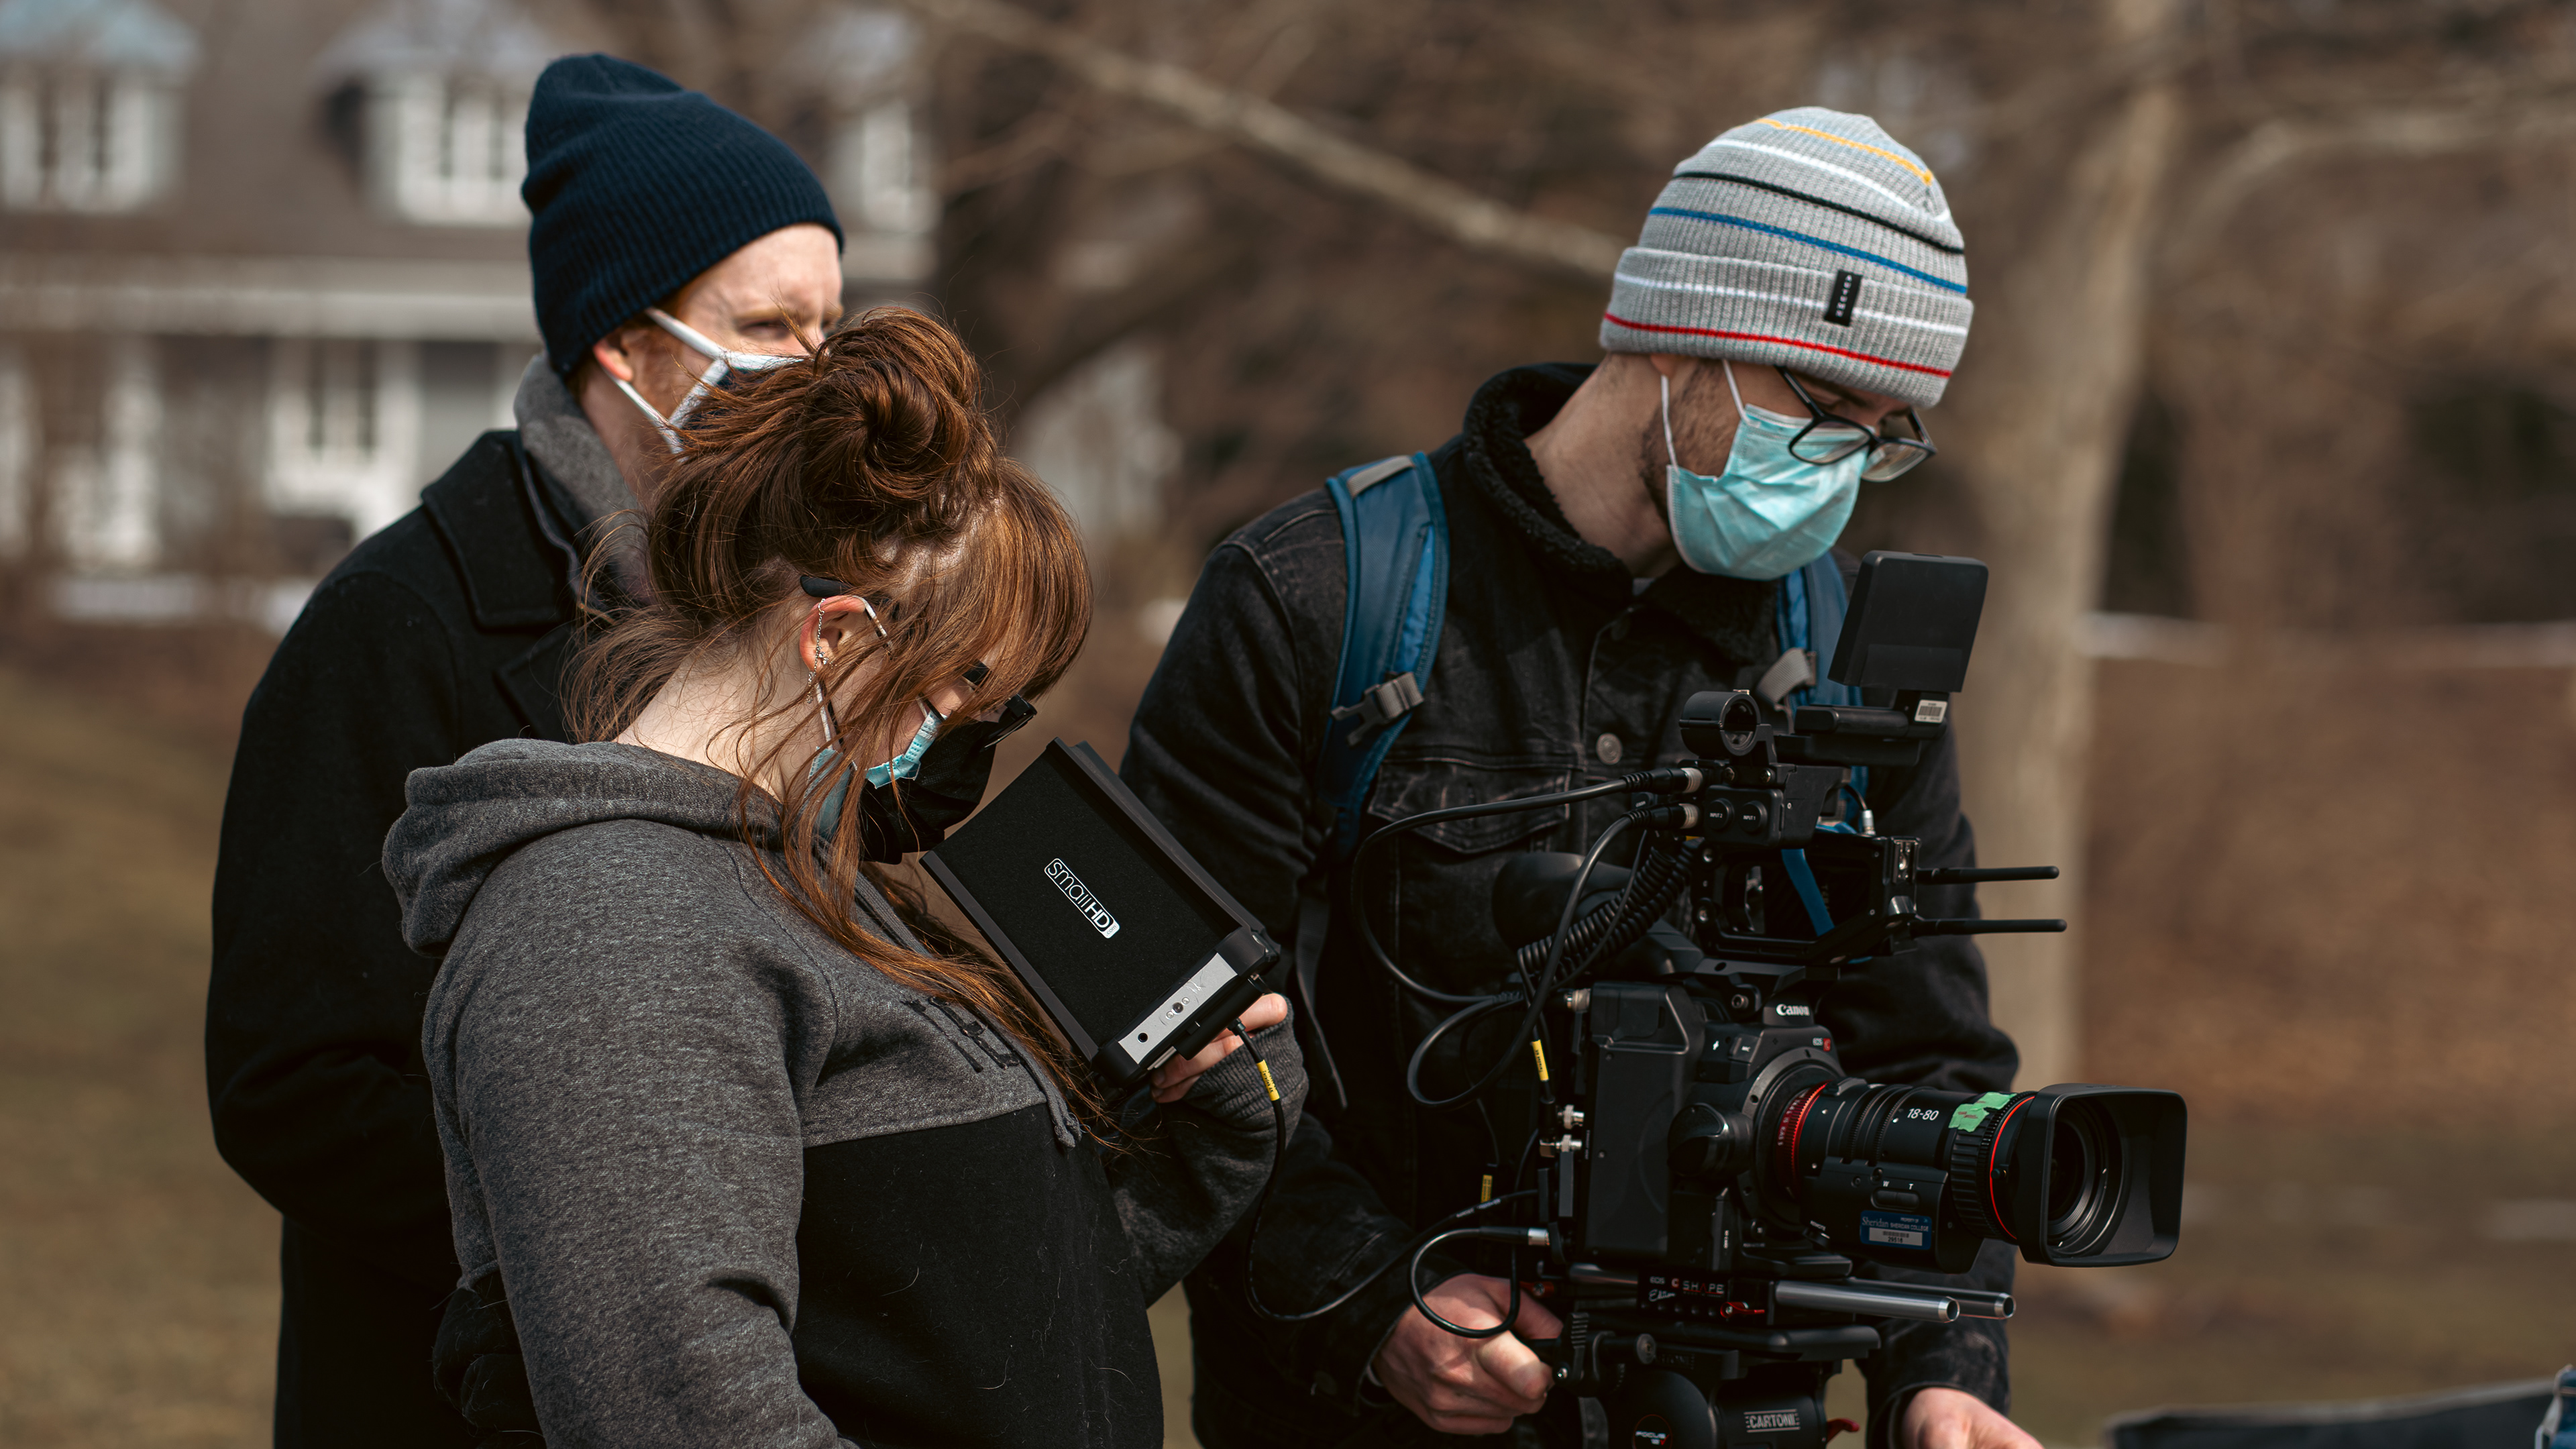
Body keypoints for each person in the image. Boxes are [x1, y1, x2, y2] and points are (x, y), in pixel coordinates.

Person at [1122, 107, 2035, 1449]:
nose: (1840, 468)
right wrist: (1369, 1305)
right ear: (1675, 332)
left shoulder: (1846, 652)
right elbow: (1168, 1030)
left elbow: (1930, 1055)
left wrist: (1943, 1366)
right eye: (1820, 409)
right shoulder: (1320, 600)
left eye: (1882, 434)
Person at [379, 305, 1302, 1448]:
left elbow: (977, 1340)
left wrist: (1206, 1147)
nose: (977, 739)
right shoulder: (607, 929)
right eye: (970, 695)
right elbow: (688, 1416)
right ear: (840, 641)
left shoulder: (824, 890)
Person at [208, 54, 851, 1444]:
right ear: (625, 342)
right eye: (768, 325)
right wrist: (587, 1243)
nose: (814, 371)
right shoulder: (397, 624)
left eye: (829, 326)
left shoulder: (786, 603)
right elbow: (290, 1085)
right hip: (450, 1397)